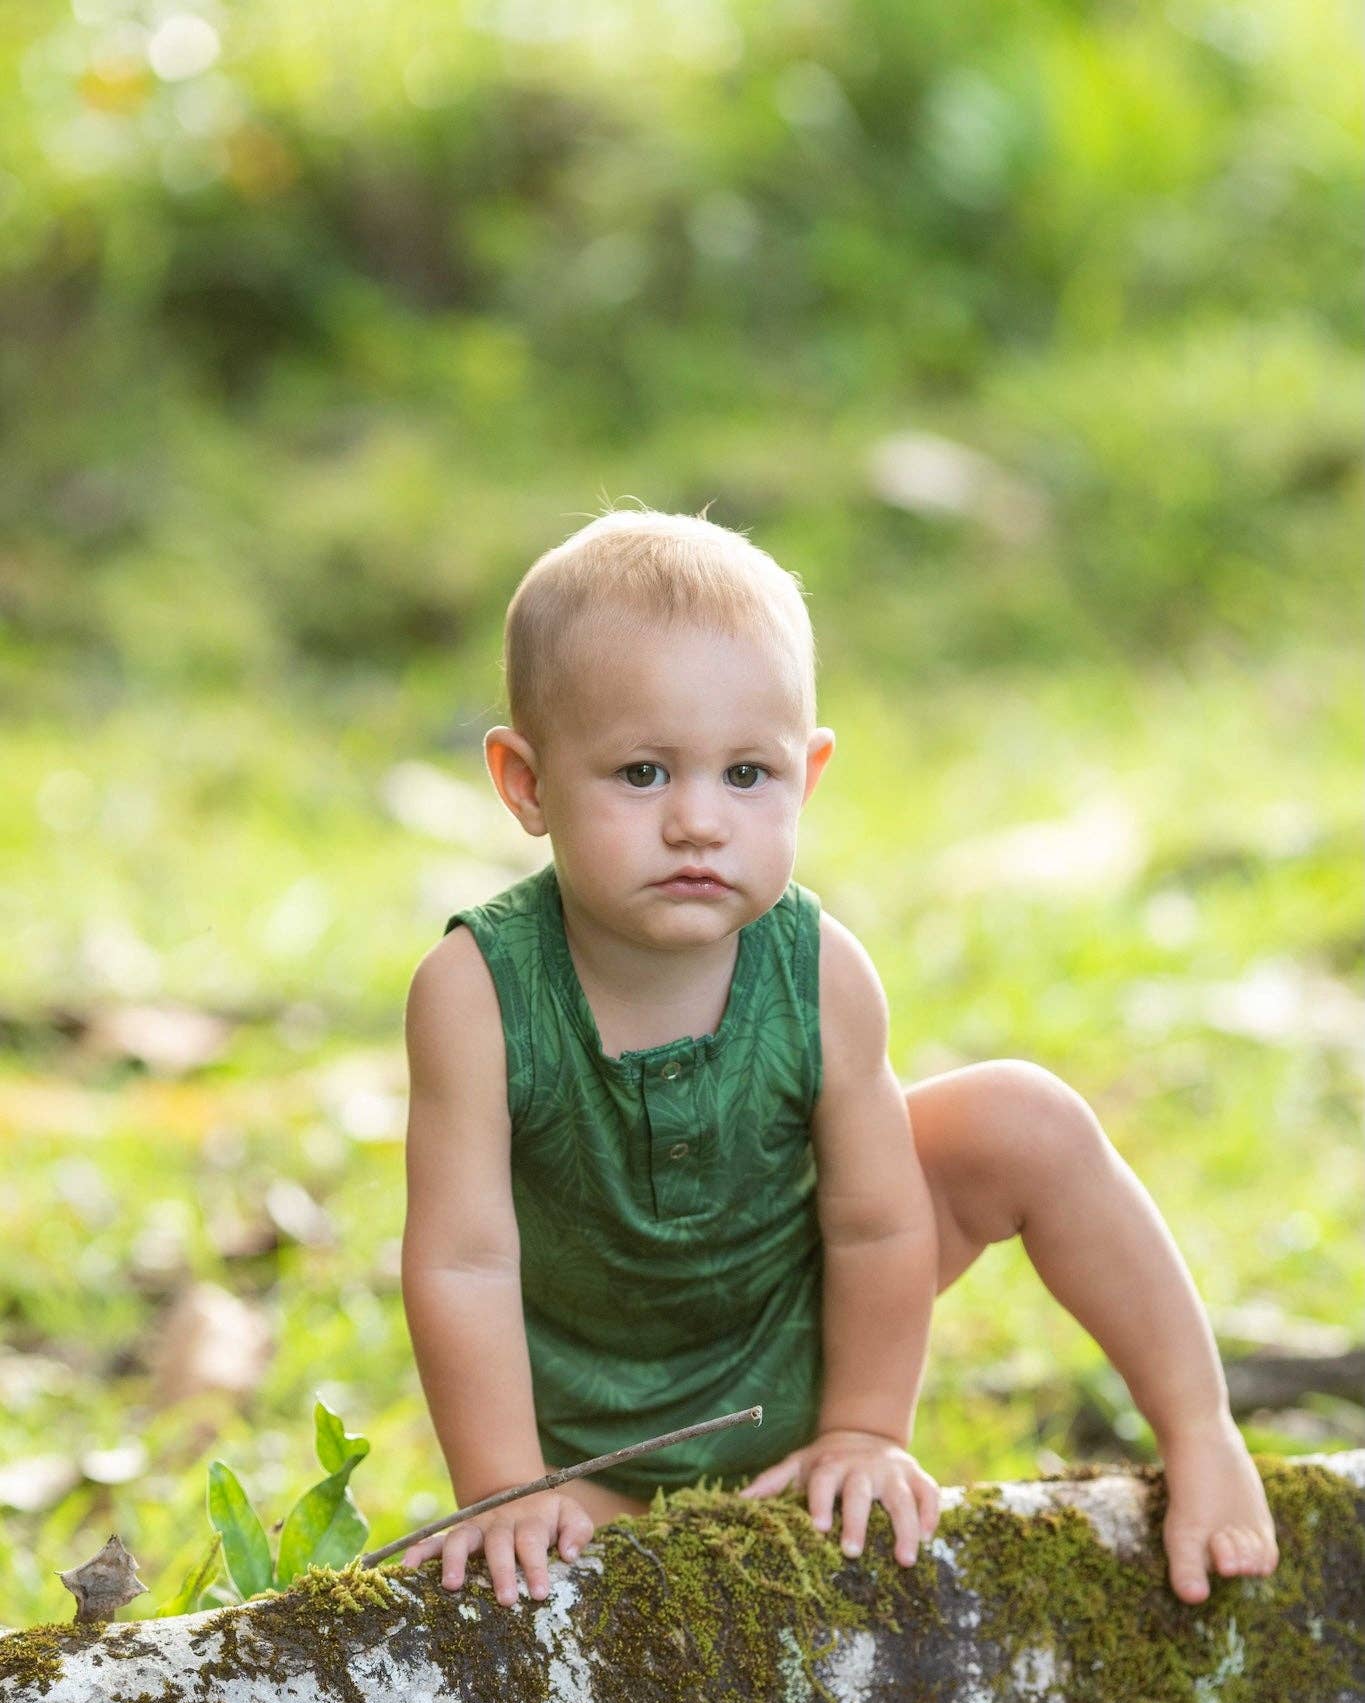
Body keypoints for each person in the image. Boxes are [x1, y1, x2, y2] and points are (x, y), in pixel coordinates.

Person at [399, 506, 1278, 1611]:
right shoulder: (476, 991)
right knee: (596, 1598)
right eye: (640, 773)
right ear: (525, 782)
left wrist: (864, 1428)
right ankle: (566, 1502)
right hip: (600, 1438)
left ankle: (1202, 1432)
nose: (698, 821)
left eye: (746, 774)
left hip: (802, 1358)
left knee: (1025, 1115)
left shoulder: (820, 970)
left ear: (808, 775)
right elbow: (464, 1262)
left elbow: (877, 1219)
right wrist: (506, 1485)